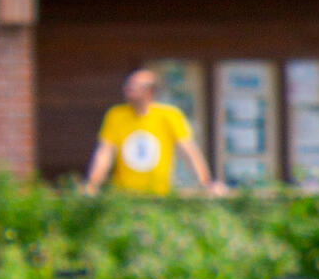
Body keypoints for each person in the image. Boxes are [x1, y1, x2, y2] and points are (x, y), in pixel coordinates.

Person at [85, 68, 222, 196]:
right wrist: (93, 184)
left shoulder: (169, 116)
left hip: (160, 194)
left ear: (149, 91)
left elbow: (188, 151)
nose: (128, 89)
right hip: (124, 194)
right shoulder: (116, 115)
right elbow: (105, 152)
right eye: (128, 85)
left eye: (134, 86)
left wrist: (205, 183)